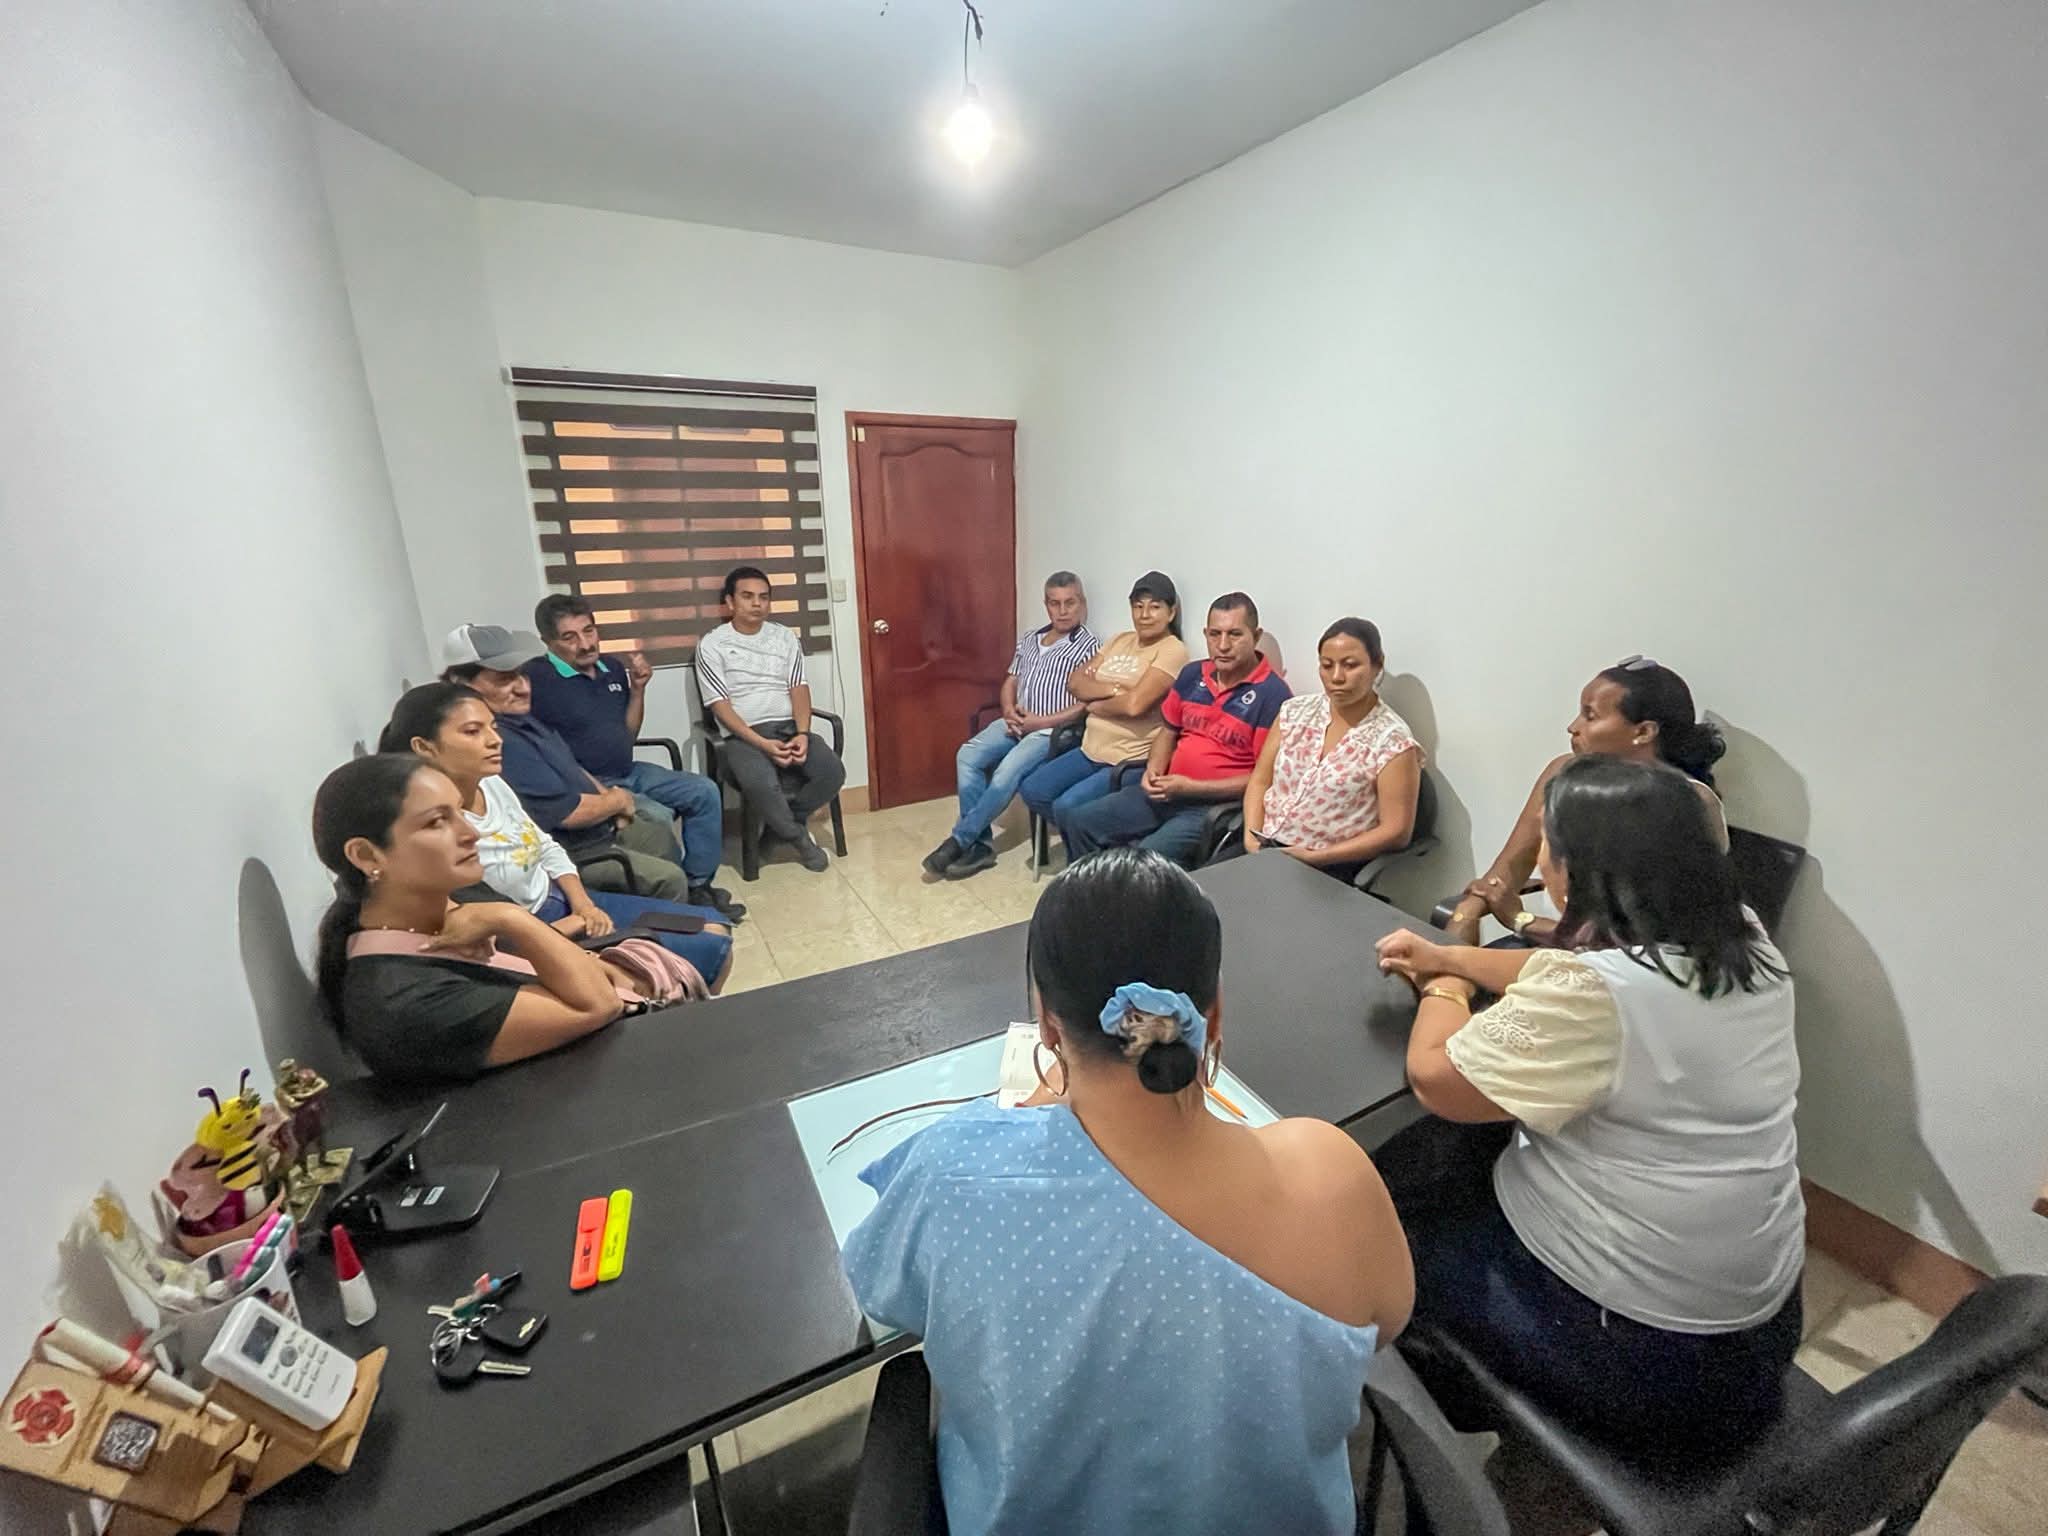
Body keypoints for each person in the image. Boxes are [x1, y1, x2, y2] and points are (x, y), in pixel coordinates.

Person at [842, 848, 1413, 1534]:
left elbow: (882, 1293)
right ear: (1213, 1015)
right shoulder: (1332, 1176)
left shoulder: (954, 1171)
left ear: (1047, 1023)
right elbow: (1388, 1320)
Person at [1373, 756, 1801, 1449]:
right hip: (1759, 1327)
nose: (1541, 859)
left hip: (1641, 1350)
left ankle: (1437, 1419)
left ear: (1580, 870)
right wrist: (1452, 956)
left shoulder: (1600, 998)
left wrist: (1443, 989)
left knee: (1383, 1229)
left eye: (1549, 844)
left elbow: (1436, 1079)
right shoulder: (1745, 939)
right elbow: (1569, 967)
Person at [311, 755, 731, 1083]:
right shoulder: (401, 999)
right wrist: (510, 917)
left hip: (596, 1054)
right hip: (583, 1088)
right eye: (438, 822)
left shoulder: (447, 896)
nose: (470, 833)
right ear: (367, 855)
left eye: (460, 812)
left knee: (711, 942)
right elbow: (598, 1005)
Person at [379, 682, 734, 982]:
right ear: (424, 747)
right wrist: (576, 922)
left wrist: (583, 904)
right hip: (541, 932)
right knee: (711, 946)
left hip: (565, 900)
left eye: (493, 727)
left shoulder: (491, 783)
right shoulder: (438, 832)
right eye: (473, 732)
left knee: (716, 926)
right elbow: (498, 942)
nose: (494, 740)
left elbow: (545, 845)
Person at [1444, 656, 1730, 946]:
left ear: (1643, 732)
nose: (1572, 727)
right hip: (1552, 944)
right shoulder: (1563, 774)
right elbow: (1506, 872)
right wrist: (1466, 914)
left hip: (1629, 961)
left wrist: (1523, 921)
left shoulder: (1686, 804)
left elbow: (1641, 942)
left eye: (1590, 716)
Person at [441, 623, 694, 903]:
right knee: (669, 880)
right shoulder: (498, 743)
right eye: (504, 679)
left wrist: (612, 799)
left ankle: (688, 907)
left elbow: (571, 766)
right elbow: (566, 813)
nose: (523, 688)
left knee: (659, 833)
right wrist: (617, 802)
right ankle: (670, 921)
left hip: (602, 824)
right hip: (578, 852)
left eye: (521, 674)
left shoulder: (521, 718)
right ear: (462, 684)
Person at [525, 594, 742, 920]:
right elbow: (541, 750)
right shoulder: (536, 681)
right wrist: (602, 793)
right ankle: (674, 900)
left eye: (589, 631)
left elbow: (629, 734)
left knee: (704, 790)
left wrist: (638, 690)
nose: (585, 644)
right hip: (590, 785)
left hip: (629, 770)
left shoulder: (612, 668)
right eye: (570, 637)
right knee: (656, 817)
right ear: (548, 642)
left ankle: (697, 886)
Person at [1061, 593, 1290, 866]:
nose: (1223, 645)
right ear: (1205, 634)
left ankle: (1129, 890)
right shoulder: (1192, 674)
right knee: (1079, 820)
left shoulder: (1273, 694)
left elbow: (1262, 779)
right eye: (1214, 634)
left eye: (1235, 634)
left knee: (1143, 861)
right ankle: (1092, 889)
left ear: (1256, 635)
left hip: (1210, 808)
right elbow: (1167, 732)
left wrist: (1193, 788)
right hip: (1166, 792)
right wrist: (1154, 769)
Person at [923, 571, 1099, 880]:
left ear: (1081, 603)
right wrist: (1007, 710)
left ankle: (960, 840)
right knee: (967, 755)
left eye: (1070, 603)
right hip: (1015, 721)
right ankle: (980, 845)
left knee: (1005, 772)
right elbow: (1011, 680)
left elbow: (1086, 704)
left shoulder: (1089, 646)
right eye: (1055, 603)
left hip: (1050, 731)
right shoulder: (1030, 639)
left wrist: (1040, 722)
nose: (1062, 611)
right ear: (1046, 605)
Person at [1227, 618, 1422, 883]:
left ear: (1377, 665)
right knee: (1193, 896)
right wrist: (1251, 839)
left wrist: (1318, 857)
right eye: (1327, 665)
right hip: (1264, 848)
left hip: (1326, 866)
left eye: (1350, 665)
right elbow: (1261, 780)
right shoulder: (1294, 712)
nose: (1337, 677)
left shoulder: (1392, 740)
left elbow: (1396, 831)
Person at [1016, 571, 1189, 839]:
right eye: (1138, 606)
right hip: (1089, 748)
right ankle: (1086, 838)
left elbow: (1134, 706)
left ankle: (1088, 847)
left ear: (1171, 612)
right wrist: (1116, 690)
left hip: (1126, 759)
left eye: (1155, 607)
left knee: (1066, 806)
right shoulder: (1119, 640)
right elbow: (1075, 682)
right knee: (1032, 789)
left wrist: (1094, 704)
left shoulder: (1173, 650)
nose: (1144, 615)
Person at [696, 566, 847, 873]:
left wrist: (802, 733)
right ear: (730, 602)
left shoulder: (784, 637)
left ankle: (779, 829)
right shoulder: (712, 645)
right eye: (747, 596)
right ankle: (799, 840)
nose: (757, 603)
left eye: (764, 597)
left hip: (789, 728)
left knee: (832, 772)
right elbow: (720, 707)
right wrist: (762, 744)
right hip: (744, 736)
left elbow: (799, 688)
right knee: (761, 783)